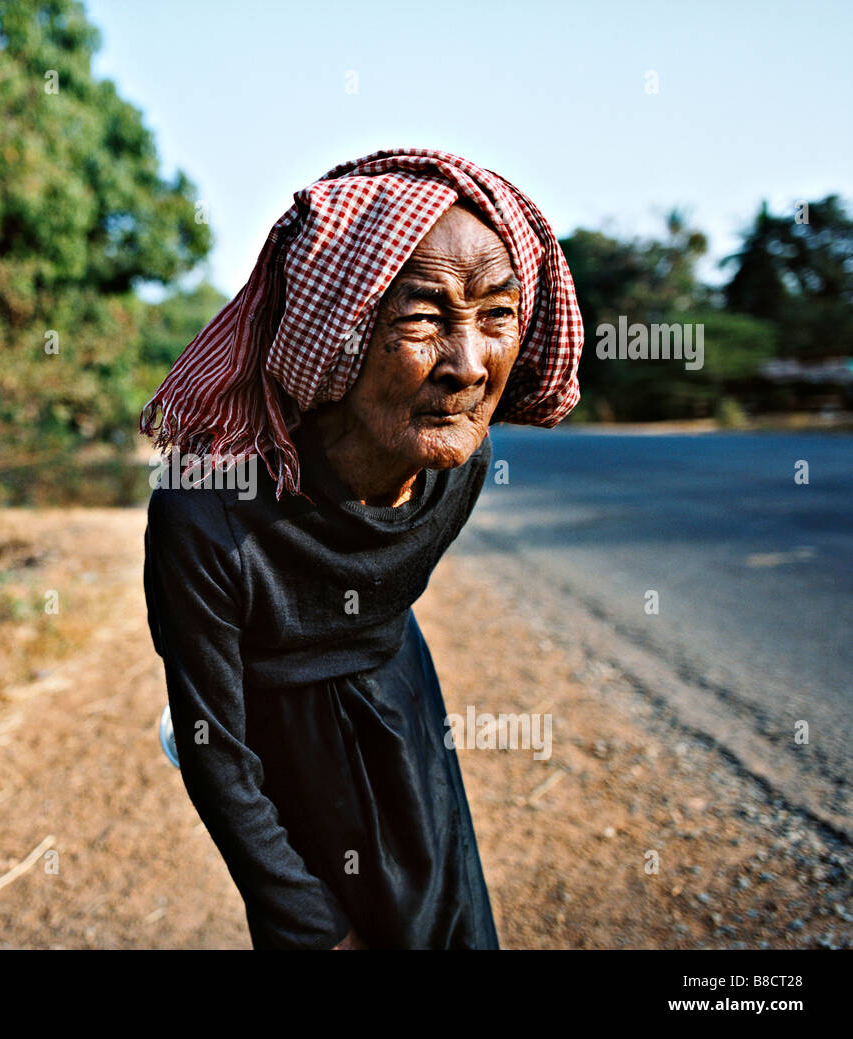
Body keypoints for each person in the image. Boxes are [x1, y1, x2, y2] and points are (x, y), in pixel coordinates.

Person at [141, 148, 583, 950]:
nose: (468, 364)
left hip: (408, 715)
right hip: (288, 771)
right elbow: (216, 752)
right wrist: (310, 923)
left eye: (497, 315)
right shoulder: (206, 512)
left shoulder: (457, 465)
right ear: (335, 336)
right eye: (423, 318)